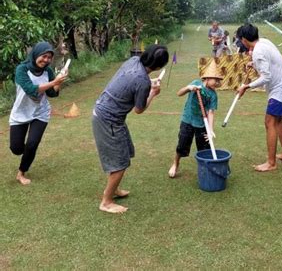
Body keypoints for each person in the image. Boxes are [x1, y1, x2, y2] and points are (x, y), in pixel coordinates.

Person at [92, 44, 169, 214]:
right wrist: (153, 93)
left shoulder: (134, 60)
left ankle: (112, 190)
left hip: (107, 114)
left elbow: (131, 79)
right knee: (120, 163)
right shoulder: (142, 81)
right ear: (159, 66)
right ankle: (106, 201)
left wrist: (149, 83)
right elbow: (139, 109)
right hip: (108, 120)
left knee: (124, 152)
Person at [237, 24, 282, 172]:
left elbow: (266, 77)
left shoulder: (257, 51)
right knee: (277, 120)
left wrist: (246, 86)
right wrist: (254, 63)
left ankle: (271, 163)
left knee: (269, 121)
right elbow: (269, 62)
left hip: (280, 88)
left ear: (244, 40)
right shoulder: (264, 42)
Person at [9, 42, 68, 185]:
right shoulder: (22, 69)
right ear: (36, 54)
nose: (46, 60)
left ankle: (21, 172)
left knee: (32, 144)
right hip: (21, 112)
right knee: (16, 149)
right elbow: (31, 89)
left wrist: (59, 82)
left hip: (40, 112)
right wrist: (54, 80)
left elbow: (52, 93)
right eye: (44, 56)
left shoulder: (48, 71)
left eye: (49, 57)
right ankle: (26, 152)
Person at [168, 61, 223, 178]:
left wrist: (210, 130)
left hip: (202, 125)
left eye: (219, 80)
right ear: (207, 78)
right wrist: (188, 88)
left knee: (204, 149)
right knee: (182, 145)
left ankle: (205, 169)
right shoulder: (195, 83)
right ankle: (175, 164)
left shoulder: (213, 95)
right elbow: (179, 93)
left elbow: (211, 112)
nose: (217, 83)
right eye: (216, 80)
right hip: (187, 120)